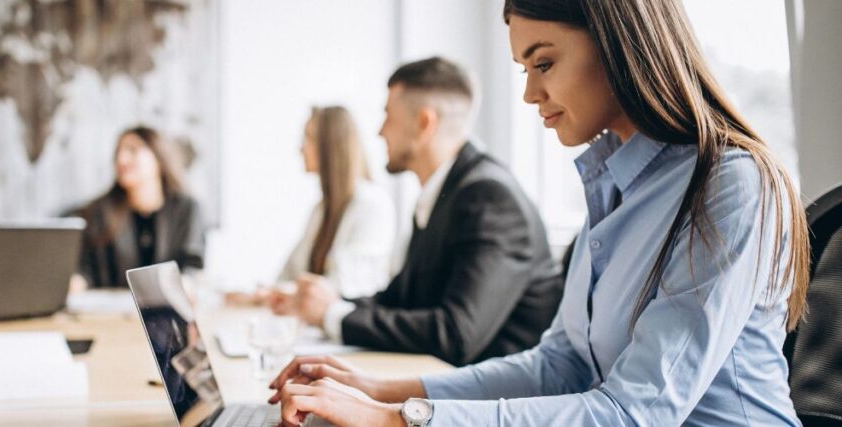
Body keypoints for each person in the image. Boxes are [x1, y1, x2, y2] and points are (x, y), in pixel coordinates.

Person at [267, 0, 811, 426]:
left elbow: (633, 414)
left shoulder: (731, 184)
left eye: (544, 62)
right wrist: (379, 390)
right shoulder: (613, 182)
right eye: (524, 68)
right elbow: (560, 364)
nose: (530, 93)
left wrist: (398, 419)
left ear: (618, 46)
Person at [270, 57, 563, 367]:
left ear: (424, 123)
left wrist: (332, 315)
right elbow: (399, 300)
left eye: (388, 116)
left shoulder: (491, 199)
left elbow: (456, 334)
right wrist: (326, 303)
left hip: (500, 392)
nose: (380, 131)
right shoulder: (443, 194)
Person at [277, 106, 395, 299]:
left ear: (331, 146)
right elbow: (289, 273)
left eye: (309, 138)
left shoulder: (372, 205)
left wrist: (280, 294)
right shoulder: (321, 210)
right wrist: (263, 294)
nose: (301, 149)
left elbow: (342, 286)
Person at [74, 126, 205, 289]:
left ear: (158, 158)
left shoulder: (186, 209)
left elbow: (193, 265)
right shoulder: (99, 211)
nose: (121, 159)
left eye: (133, 150)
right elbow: (87, 269)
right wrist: (77, 281)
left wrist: (186, 282)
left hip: (167, 301)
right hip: (110, 303)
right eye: (118, 152)